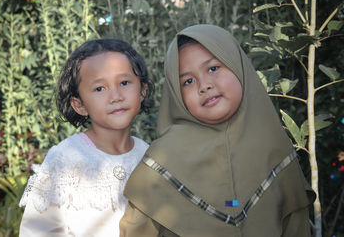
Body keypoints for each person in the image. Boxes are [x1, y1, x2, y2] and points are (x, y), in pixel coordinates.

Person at [120, 25, 315, 237]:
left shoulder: (273, 147)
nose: (204, 85)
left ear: (238, 66)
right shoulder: (163, 160)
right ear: (176, 95)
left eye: (213, 68)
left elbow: (297, 225)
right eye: (188, 81)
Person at [19, 39, 153, 236]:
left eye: (124, 83)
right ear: (79, 104)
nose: (116, 96)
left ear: (142, 90)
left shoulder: (148, 155)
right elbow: (37, 231)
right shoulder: (65, 159)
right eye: (100, 88)